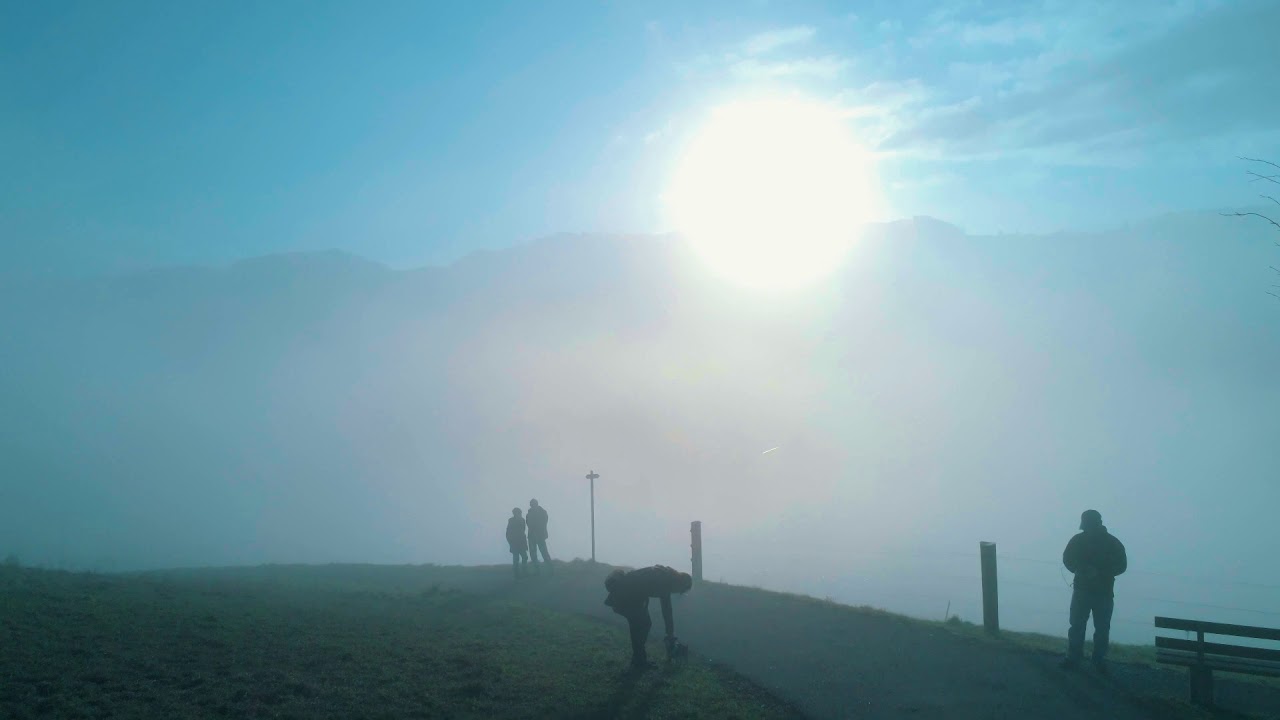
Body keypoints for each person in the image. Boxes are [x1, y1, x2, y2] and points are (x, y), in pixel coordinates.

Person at [1061, 509, 1127, 673]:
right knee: (1094, 627)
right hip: (1098, 591)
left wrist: (1092, 571)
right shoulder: (1112, 542)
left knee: (1085, 626)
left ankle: (1078, 658)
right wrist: (1083, 569)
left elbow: (1121, 565)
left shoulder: (1079, 540)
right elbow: (1068, 559)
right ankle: (1095, 660)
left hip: (1092, 592)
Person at [604, 565, 693, 669]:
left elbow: (642, 586)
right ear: (679, 583)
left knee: (639, 625)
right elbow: (666, 610)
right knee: (643, 624)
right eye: (679, 590)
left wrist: (670, 633)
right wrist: (670, 633)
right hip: (625, 596)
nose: (676, 592)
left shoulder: (665, 576)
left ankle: (638, 660)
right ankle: (639, 661)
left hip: (625, 595)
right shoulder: (665, 582)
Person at [526, 499, 552, 574]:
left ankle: (550, 569)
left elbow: (545, 522)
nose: (532, 505)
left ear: (536, 504)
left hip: (540, 535)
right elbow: (528, 524)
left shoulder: (542, 512)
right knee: (533, 554)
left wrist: (537, 528)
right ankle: (537, 570)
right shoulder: (529, 514)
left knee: (544, 552)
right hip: (532, 536)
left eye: (533, 504)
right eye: (532, 504)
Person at [506, 508, 529, 579]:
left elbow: (523, 530)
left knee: (524, 557)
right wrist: (510, 541)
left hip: (521, 541)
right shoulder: (511, 521)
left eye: (519, 513)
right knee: (516, 558)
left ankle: (523, 571)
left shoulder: (522, 520)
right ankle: (517, 574)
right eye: (517, 513)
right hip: (515, 542)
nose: (519, 514)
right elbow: (508, 532)